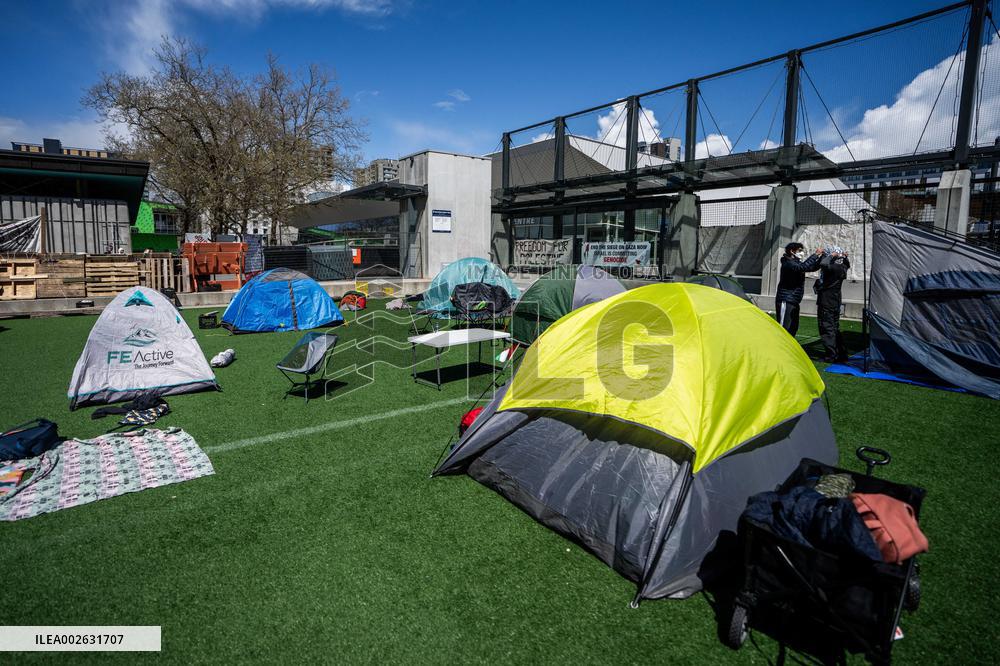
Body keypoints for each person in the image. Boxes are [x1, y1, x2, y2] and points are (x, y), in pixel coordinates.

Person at [775, 242, 823, 336]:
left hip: (794, 299)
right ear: (792, 251)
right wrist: (815, 255)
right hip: (786, 299)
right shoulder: (788, 263)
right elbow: (803, 267)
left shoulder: (796, 263)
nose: (802, 253)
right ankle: (780, 347)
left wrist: (823, 258)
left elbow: (811, 267)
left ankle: (790, 347)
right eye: (799, 251)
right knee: (785, 327)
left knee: (793, 327)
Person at [815, 248, 851, 362]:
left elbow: (823, 264)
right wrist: (844, 257)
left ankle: (831, 355)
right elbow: (847, 265)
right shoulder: (842, 268)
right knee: (835, 328)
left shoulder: (833, 268)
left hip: (826, 302)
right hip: (835, 302)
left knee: (827, 328)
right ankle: (841, 353)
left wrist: (832, 255)